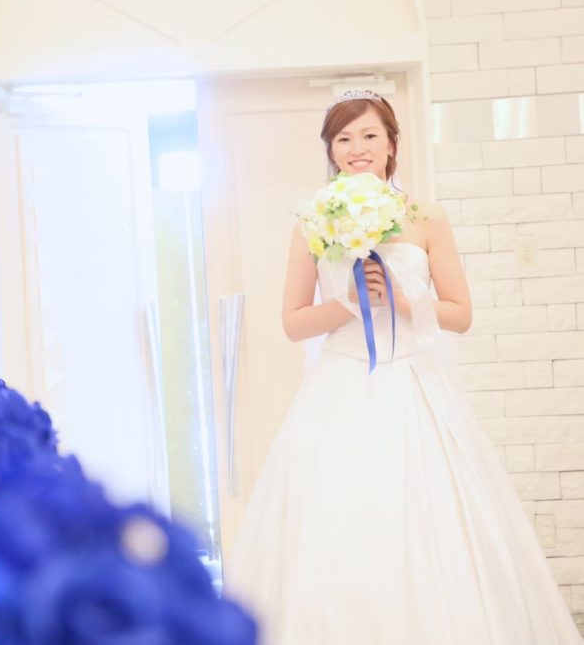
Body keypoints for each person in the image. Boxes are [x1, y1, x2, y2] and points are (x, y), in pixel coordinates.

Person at [221, 89, 583, 645]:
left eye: (369, 135)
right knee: (336, 525)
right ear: (330, 150)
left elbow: (460, 313)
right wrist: (349, 302)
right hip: (341, 383)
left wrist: (404, 299)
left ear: (393, 143)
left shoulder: (426, 216)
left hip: (413, 383)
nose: (357, 148)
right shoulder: (313, 221)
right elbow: (293, 323)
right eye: (343, 138)